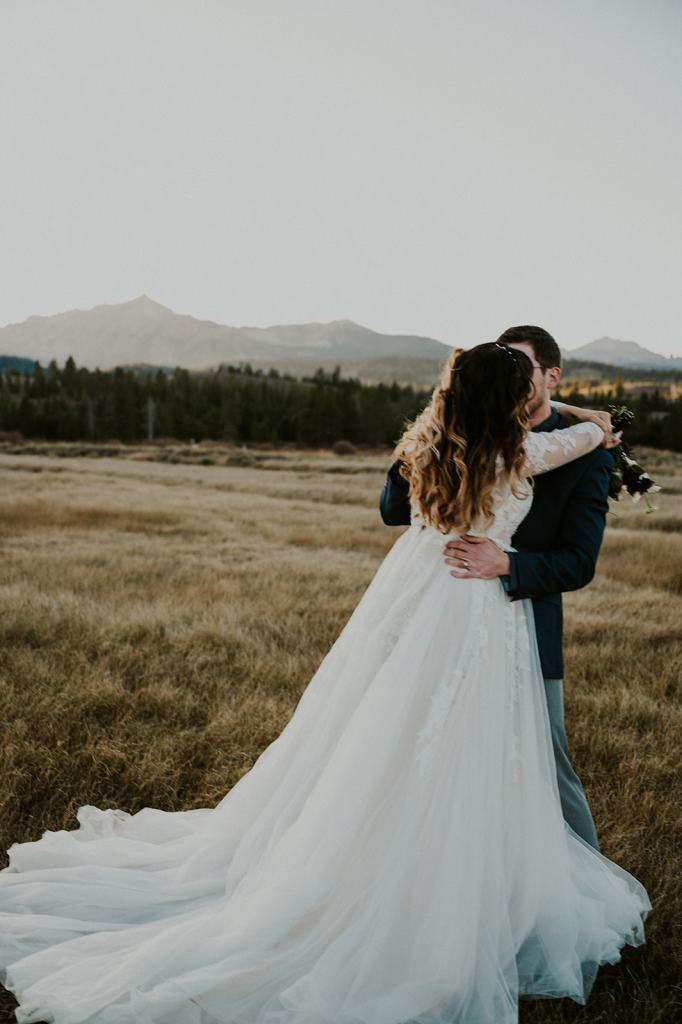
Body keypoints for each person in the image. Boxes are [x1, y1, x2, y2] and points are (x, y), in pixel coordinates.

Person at [0, 341, 651, 1024]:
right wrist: (575, 407)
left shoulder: (430, 441)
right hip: (475, 612)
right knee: (462, 747)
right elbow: (599, 429)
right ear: (515, 397)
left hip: (424, 599)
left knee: (392, 737)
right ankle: (436, 888)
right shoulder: (520, 454)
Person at [380, 326, 609, 852]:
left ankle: (581, 867)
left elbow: (578, 563)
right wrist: (588, 418)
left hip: (519, 620)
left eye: (522, 368)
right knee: (417, 743)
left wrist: (508, 562)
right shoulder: (518, 449)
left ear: (549, 378)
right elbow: (393, 510)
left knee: (544, 759)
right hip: (435, 617)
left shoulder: (577, 460)